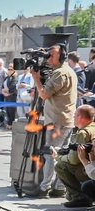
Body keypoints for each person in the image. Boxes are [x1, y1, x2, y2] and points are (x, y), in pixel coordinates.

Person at [31, 44, 78, 198]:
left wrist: (36, 79)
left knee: (50, 153)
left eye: (52, 55)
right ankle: (58, 187)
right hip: (66, 119)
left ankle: (44, 187)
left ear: (62, 56)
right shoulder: (68, 71)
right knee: (61, 155)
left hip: (57, 121)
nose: (48, 57)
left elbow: (44, 94)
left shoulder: (59, 74)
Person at [54, 104, 95, 207]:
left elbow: (74, 160)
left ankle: (79, 197)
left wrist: (58, 157)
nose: (73, 118)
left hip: (89, 169)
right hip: (91, 165)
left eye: (75, 115)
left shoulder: (83, 132)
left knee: (60, 166)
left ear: (80, 117)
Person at [1, 63, 18, 129]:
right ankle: (9, 124)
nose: (9, 70)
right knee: (7, 110)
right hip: (6, 96)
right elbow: (2, 85)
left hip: (12, 96)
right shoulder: (7, 77)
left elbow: (13, 87)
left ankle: (11, 124)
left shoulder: (15, 77)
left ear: (14, 70)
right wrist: (3, 91)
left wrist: (7, 91)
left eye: (11, 69)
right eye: (9, 69)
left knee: (11, 111)